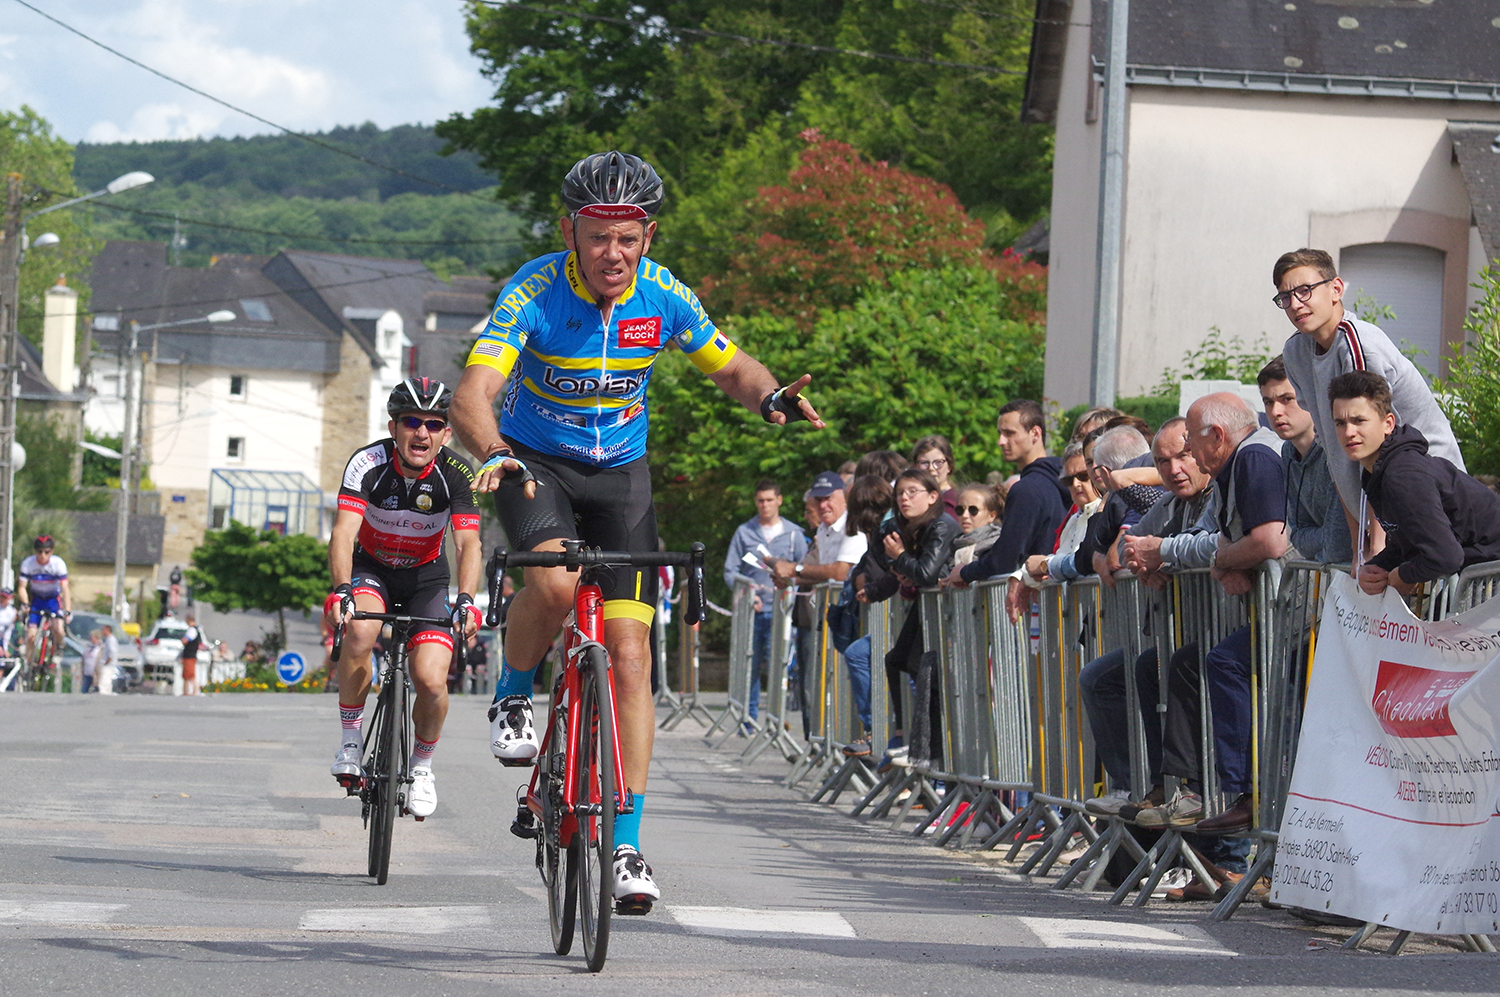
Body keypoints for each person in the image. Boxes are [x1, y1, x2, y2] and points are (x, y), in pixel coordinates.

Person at [450, 151, 823, 909]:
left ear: (647, 237)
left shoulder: (663, 295)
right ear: (570, 233)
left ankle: (625, 844)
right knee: (556, 582)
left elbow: (731, 367)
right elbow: (473, 393)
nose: (612, 253)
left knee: (630, 653)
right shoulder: (534, 291)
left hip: (622, 477)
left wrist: (769, 396)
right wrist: (492, 451)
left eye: (627, 238)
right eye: (597, 236)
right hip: (534, 466)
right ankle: (514, 693)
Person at [325, 378, 483, 820]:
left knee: (431, 680)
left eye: (433, 424)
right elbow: (343, 532)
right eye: (411, 421)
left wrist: (466, 599)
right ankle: (351, 741)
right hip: (371, 569)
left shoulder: (457, 473)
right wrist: (342, 588)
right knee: (360, 630)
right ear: (393, 427)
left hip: (425, 580)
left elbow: (468, 543)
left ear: (446, 433)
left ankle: (422, 766)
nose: (421, 433)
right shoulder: (367, 463)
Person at [1136, 393, 1287, 837]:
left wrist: (1224, 559)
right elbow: (1221, 537)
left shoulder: (1253, 458)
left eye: (1190, 444)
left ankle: (1244, 796)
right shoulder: (1235, 466)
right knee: (1180, 662)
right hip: (1280, 610)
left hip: (1294, 611)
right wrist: (1226, 557)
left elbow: (1269, 542)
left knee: (1221, 661)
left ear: (1217, 436)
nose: (1188, 455)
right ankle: (1198, 793)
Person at [1272, 248, 1462, 556]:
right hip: (1386, 516)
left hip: (1431, 500)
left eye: (1304, 290)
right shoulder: (1295, 353)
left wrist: (1377, 547)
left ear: (1336, 289)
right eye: (1285, 297)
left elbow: (1378, 450)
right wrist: (1357, 542)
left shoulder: (1358, 346)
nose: (1295, 304)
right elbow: (1335, 452)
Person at [1329, 371, 1500, 595]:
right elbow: (1408, 542)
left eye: (1359, 421)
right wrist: (1377, 566)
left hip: (1489, 577)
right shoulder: (1380, 471)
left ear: (1388, 424)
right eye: (1340, 423)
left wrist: (1404, 574)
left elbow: (1446, 556)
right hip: (1478, 575)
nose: (1349, 432)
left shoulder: (1403, 476)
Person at [858, 468, 961, 767]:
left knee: (925, 673)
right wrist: (882, 585)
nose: (904, 498)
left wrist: (902, 556)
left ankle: (929, 748)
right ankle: (906, 737)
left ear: (933, 496)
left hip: (946, 609)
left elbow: (927, 572)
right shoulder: (912, 526)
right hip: (927, 606)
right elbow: (899, 569)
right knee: (897, 660)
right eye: (900, 493)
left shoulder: (941, 525)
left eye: (912, 492)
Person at [946, 400, 1069, 618]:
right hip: (1063, 601)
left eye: (1010, 433)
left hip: (1036, 605)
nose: (1001, 441)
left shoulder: (1026, 490)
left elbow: (1005, 559)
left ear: (1035, 433)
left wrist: (964, 572)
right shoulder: (1067, 480)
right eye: (1000, 433)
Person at [723, 479, 808, 723]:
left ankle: (775, 721)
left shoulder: (794, 534)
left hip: (782, 611)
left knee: (778, 667)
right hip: (753, 611)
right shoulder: (744, 532)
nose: (765, 505)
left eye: (770, 500)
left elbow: (805, 569)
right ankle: (748, 720)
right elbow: (730, 570)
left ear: (779, 500)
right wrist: (748, 592)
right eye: (760, 500)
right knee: (749, 665)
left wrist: (792, 593)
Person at [1258, 356, 1352, 564]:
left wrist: (1325, 542)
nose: (1275, 412)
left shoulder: (1337, 449)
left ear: (1310, 396)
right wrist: (1325, 541)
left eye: (1287, 399)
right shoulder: (1288, 452)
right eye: (1268, 402)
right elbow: (1298, 537)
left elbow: (1340, 545)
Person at [18, 536, 70, 673]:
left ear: (51, 552)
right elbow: (22, 587)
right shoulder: (28, 564)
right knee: (31, 636)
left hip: (53, 600)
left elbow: (65, 588)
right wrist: (25, 603)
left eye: (46, 552)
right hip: (37, 600)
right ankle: (28, 665)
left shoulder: (58, 564)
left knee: (58, 629)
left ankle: (58, 647)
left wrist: (67, 609)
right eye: (39, 551)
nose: (43, 555)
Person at [951, 482, 1004, 571]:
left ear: (991, 516)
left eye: (973, 510)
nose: (964, 515)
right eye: (960, 509)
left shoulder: (996, 546)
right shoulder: (954, 544)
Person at [911, 434, 960, 516]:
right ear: (915, 466)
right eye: (924, 463)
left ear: (949, 466)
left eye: (938, 462)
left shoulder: (952, 502)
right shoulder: (909, 499)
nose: (931, 468)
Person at [180, 612, 202, 696]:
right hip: (189, 655)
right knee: (186, 675)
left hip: (190, 655)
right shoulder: (195, 629)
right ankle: (185, 691)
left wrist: (182, 640)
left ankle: (194, 691)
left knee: (190, 674)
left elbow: (184, 640)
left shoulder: (192, 630)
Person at [96, 624, 120, 696]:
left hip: (108, 664)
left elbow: (112, 652)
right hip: (107, 663)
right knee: (106, 680)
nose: (102, 631)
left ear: (107, 630)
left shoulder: (111, 640)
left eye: (103, 630)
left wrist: (107, 662)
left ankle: (104, 695)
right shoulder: (108, 639)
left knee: (104, 680)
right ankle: (106, 694)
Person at [0, 588, 16, 657]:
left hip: (3, 638)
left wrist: (5, 649)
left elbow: (8, 630)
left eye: (5, 597)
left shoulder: (12, 612)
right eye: (2, 596)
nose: (3, 599)